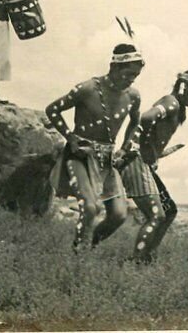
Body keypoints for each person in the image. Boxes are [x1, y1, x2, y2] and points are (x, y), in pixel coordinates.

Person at [45, 43, 143, 251]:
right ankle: (79, 252)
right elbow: (53, 110)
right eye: (128, 74)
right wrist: (70, 138)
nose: (131, 79)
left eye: (135, 76)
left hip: (107, 161)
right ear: (114, 67)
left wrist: (125, 148)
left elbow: (136, 122)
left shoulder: (133, 96)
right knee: (90, 207)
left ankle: (87, 247)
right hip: (79, 156)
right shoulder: (87, 89)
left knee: (118, 215)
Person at [119, 69, 188, 263]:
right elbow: (146, 119)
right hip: (135, 160)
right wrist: (148, 149)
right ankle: (136, 261)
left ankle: (147, 257)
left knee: (169, 211)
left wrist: (156, 154)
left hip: (141, 161)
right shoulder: (171, 102)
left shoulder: (175, 105)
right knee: (157, 215)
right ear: (185, 88)